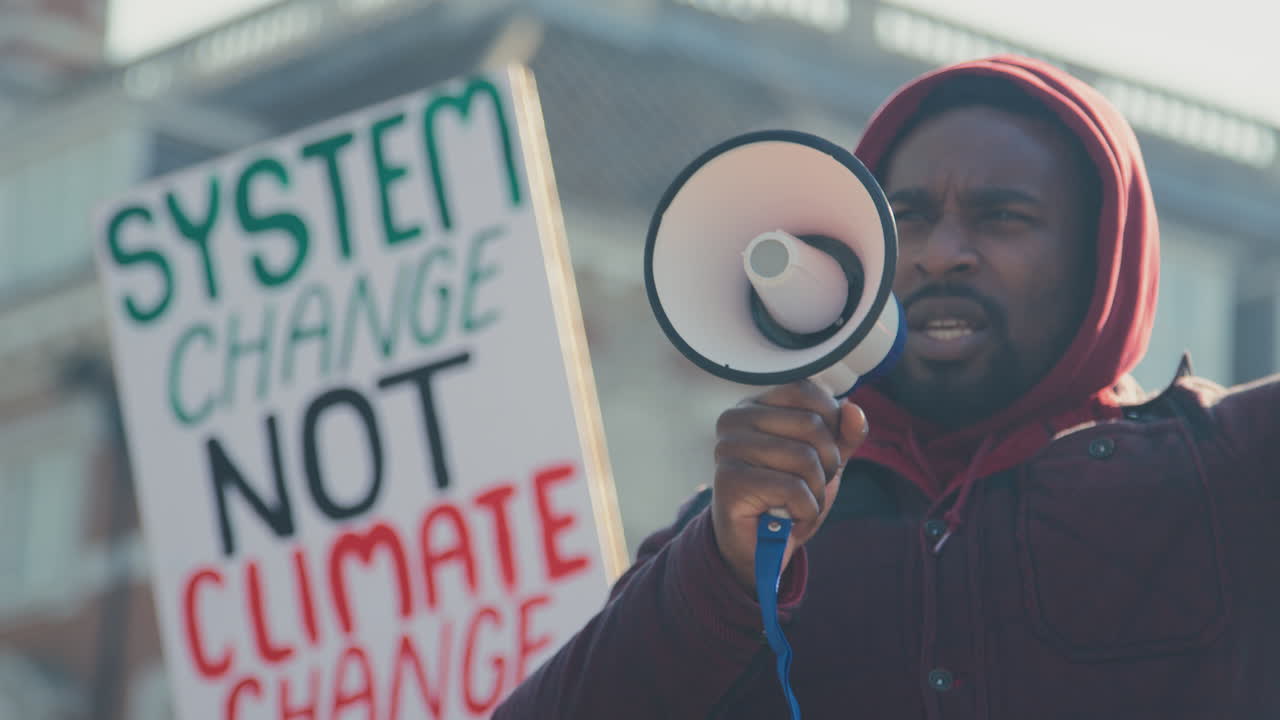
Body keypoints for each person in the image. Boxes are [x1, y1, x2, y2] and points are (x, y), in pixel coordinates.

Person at [494, 54, 1280, 719]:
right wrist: (721, 569)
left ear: (1101, 258)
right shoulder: (750, 515)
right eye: (905, 216)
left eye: (1001, 217)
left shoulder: (1227, 469)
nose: (941, 255)